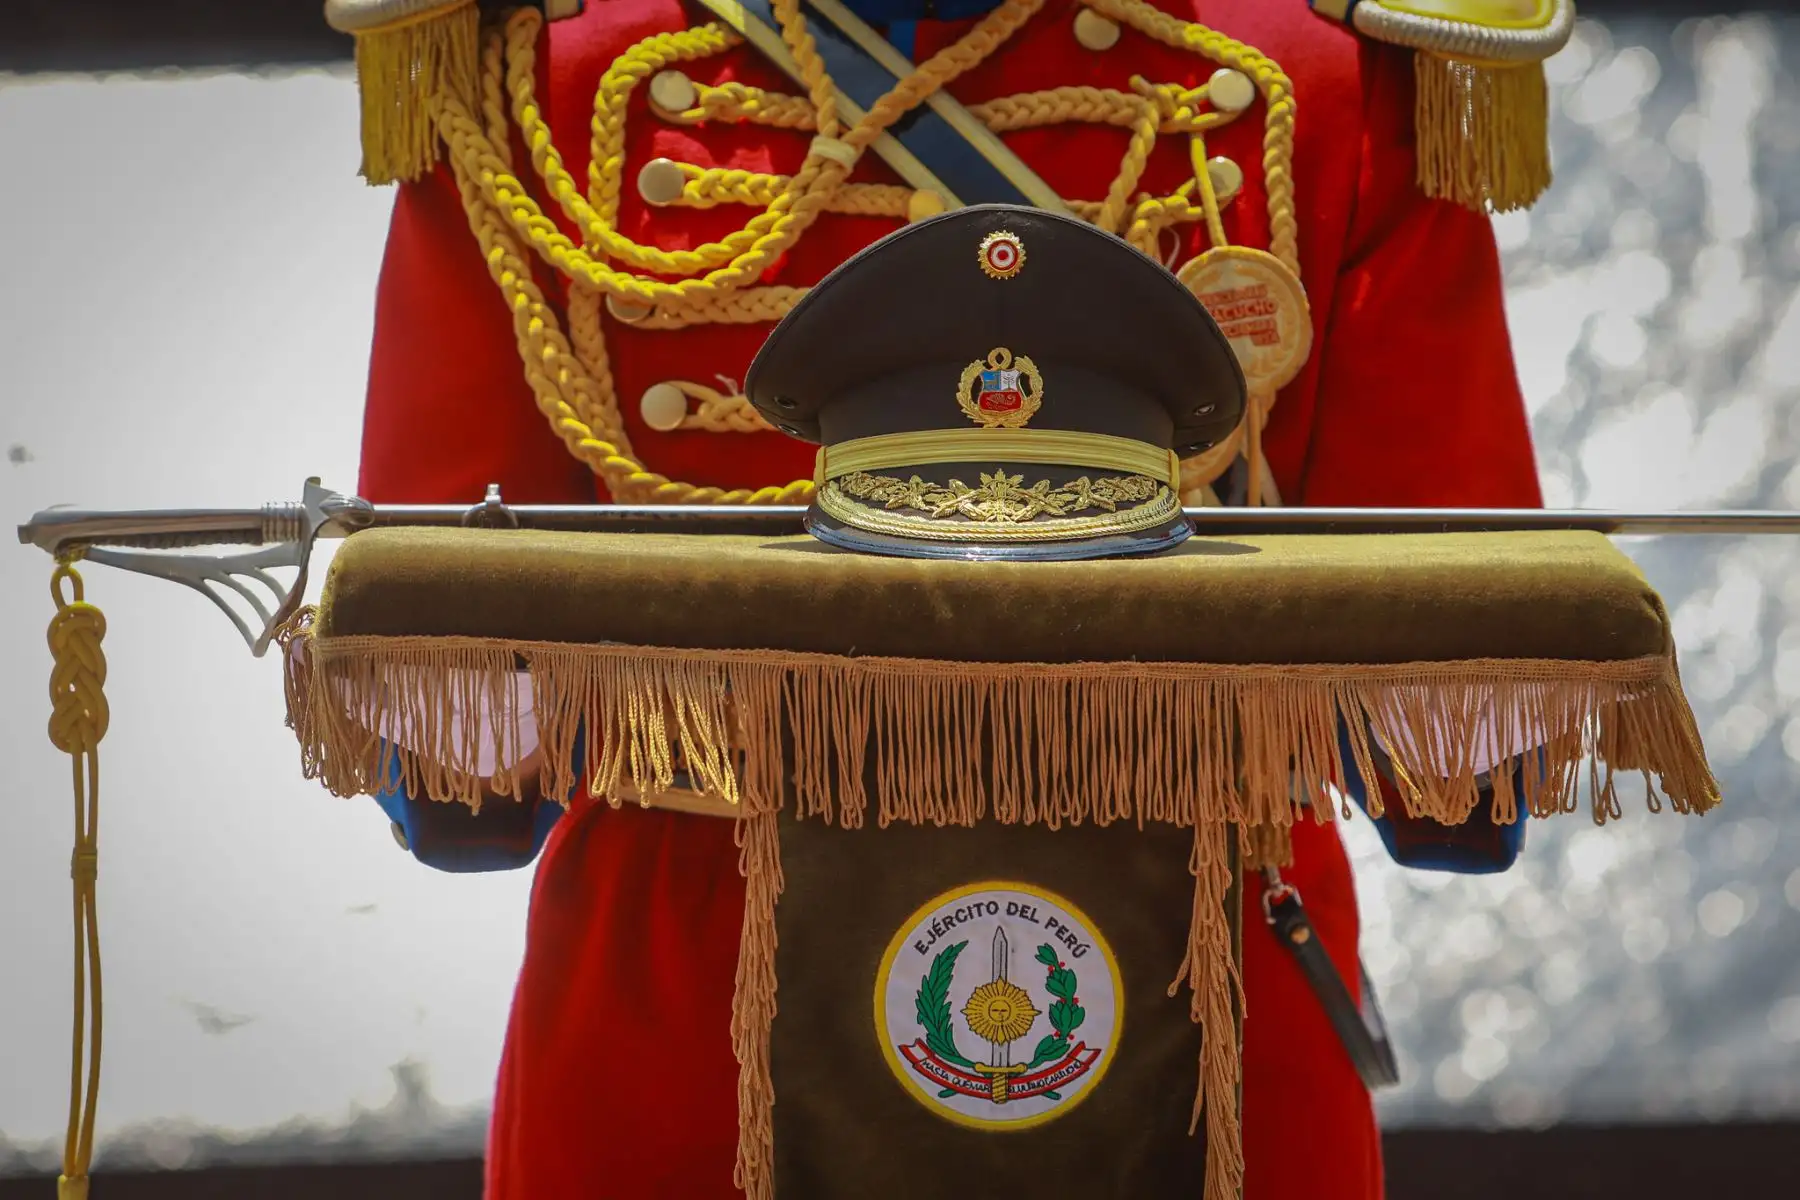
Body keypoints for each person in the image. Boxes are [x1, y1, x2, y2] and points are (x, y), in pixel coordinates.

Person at [327, 0, 1568, 1194]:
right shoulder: (528, 81)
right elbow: (457, 756)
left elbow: (1455, 757)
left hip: (1187, 1000)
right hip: (710, 1022)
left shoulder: (1337, 79)